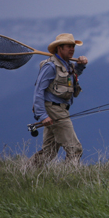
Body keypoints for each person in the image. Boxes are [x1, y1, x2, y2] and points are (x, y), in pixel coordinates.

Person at [30, 33, 88, 166]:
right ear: (59, 48)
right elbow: (38, 91)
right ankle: (70, 179)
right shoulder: (50, 66)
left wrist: (80, 66)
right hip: (54, 110)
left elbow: (70, 79)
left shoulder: (67, 65)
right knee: (75, 149)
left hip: (60, 109)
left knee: (48, 153)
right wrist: (43, 115)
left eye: (73, 46)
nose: (72, 49)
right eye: (68, 46)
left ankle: (25, 171)